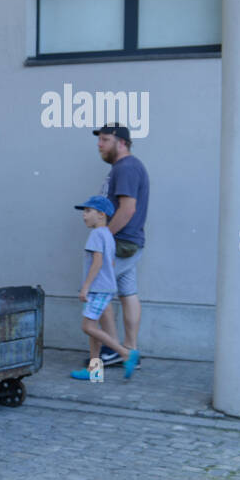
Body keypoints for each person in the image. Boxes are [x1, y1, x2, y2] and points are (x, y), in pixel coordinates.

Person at [92, 123, 150, 367]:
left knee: (96, 291)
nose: (100, 144)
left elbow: (127, 209)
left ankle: (114, 349)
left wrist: (105, 236)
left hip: (121, 243)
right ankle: (130, 351)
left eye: (105, 139)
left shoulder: (126, 168)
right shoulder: (125, 167)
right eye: (100, 140)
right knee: (128, 293)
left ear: (122, 142)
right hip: (128, 242)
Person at [70, 196, 139, 381]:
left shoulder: (96, 235)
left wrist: (85, 287)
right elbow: (112, 262)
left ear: (101, 214)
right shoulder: (108, 235)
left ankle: (125, 353)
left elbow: (97, 262)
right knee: (94, 331)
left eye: (87, 211)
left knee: (87, 327)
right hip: (105, 288)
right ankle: (95, 370)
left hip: (97, 289)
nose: (84, 216)